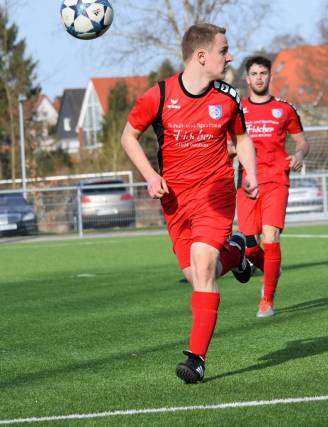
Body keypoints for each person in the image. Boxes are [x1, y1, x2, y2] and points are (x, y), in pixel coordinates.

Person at [121, 23, 259, 384]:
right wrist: (151, 175)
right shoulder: (160, 95)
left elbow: (242, 139)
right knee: (198, 275)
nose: (230, 57)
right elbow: (128, 136)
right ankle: (237, 254)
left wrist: (251, 172)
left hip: (215, 193)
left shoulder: (228, 97)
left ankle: (196, 359)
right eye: (223, 51)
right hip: (174, 200)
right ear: (201, 56)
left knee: (202, 268)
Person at [230, 55, 309, 318]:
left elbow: (302, 141)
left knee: (271, 236)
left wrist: (299, 155)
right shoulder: (237, 109)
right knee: (250, 246)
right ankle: (271, 268)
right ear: (247, 78)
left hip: (276, 180)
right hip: (247, 183)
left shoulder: (284, 109)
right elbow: (227, 144)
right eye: (254, 74)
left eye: (263, 73)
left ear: (269, 76)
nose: (259, 78)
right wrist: (233, 151)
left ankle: (267, 300)